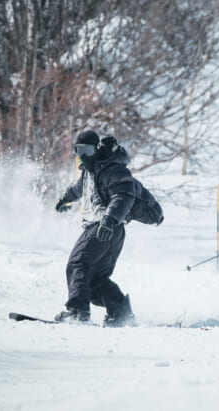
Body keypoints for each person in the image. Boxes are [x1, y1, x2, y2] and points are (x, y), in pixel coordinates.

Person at [53, 130, 137, 326]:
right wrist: (66, 200)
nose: (83, 155)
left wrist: (109, 219)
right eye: (79, 150)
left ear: (97, 149)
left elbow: (123, 195)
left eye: (88, 150)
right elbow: (78, 189)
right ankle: (120, 311)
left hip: (104, 225)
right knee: (94, 280)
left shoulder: (112, 169)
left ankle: (77, 311)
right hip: (110, 229)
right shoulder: (89, 172)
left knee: (78, 264)